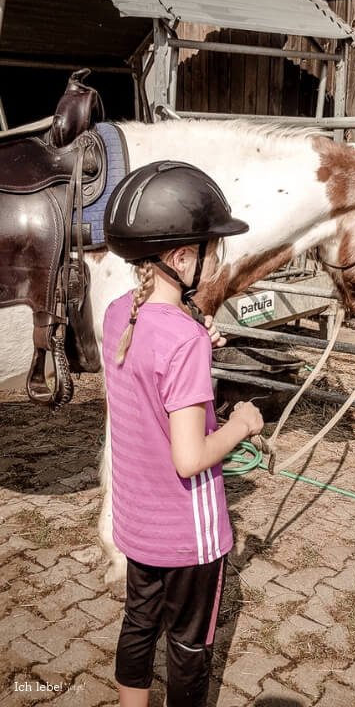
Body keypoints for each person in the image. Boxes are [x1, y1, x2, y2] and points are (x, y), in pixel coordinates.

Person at [101, 160, 264, 707]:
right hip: (188, 537)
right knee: (190, 647)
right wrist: (242, 424)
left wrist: (195, 333)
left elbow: (150, 370)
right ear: (180, 258)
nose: (216, 262)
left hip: (138, 524)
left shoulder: (119, 312)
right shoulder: (184, 340)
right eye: (211, 251)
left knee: (139, 624)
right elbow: (189, 458)